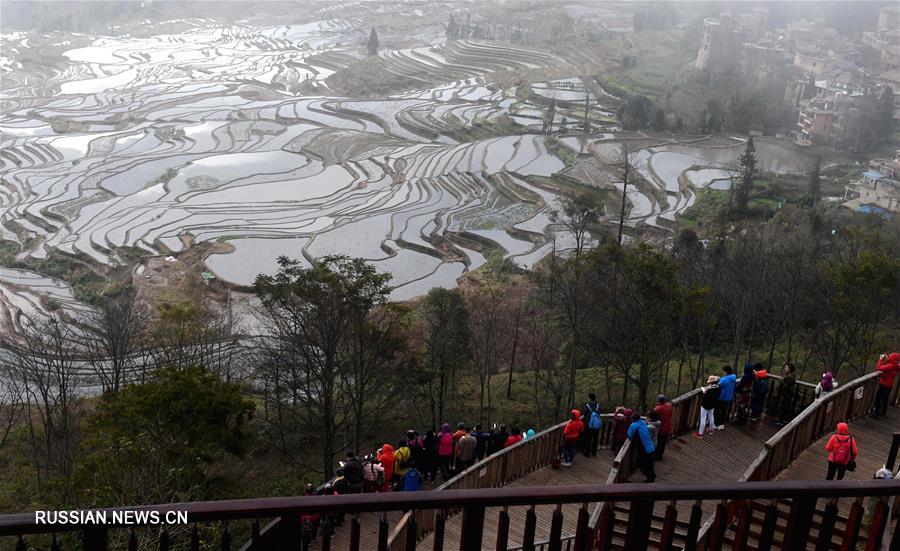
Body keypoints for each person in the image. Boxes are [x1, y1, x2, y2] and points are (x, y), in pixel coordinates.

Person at [626, 413, 656, 482]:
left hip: (644, 449)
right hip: (651, 447)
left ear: (632, 419)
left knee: (640, 464)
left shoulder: (634, 425)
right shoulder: (642, 422)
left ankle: (650, 478)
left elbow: (629, 435)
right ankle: (651, 477)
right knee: (649, 464)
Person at [874, 352, 900, 417]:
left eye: (890, 356)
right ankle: (883, 413)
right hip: (889, 386)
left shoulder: (889, 366)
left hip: (883, 385)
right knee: (885, 399)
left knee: (878, 399)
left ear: (892, 358)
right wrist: (886, 358)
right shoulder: (896, 366)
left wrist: (881, 359)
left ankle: (876, 413)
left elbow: (879, 367)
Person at [777, 362, 798, 426]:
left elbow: (786, 386)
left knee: (785, 408)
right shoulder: (788, 375)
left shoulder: (791, 377)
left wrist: (782, 380)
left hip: (788, 395)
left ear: (790, 369)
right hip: (786, 394)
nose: (785, 369)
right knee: (783, 407)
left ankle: (782, 421)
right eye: (785, 367)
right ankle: (781, 420)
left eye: (787, 368)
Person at [654, 395, 673, 460]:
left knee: (658, 442)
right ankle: (660, 455)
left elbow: (654, 417)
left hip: (660, 428)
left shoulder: (657, 409)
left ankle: (657, 456)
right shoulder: (669, 406)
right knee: (663, 442)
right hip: (667, 427)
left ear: (658, 401)